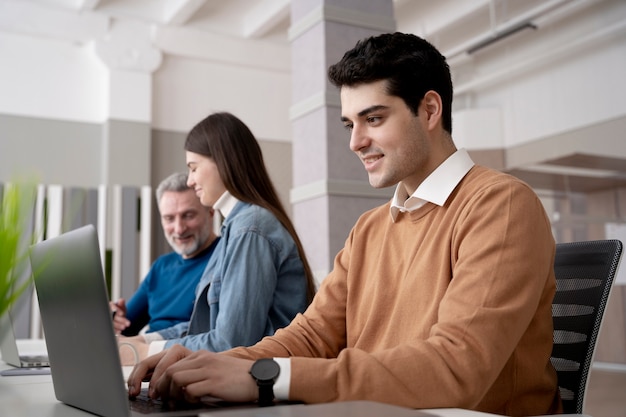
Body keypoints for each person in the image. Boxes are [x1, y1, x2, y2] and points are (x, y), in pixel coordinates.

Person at [127, 32, 562, 415]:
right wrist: (221, 364)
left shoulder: (500, 205)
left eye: (374, 119)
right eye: (350, 124)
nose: (355, 142)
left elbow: (456, 369)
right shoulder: (370, 229)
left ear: (429, 110)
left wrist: (266, 377)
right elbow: (313, 335)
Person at [118, 112, 316, 363]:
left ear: (223, 162)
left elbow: (231, 342)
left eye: (193, 168)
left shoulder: (250, 229)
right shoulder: (237, 227)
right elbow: (208, 328)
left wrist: (145, 352)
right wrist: (141, 341)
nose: (190, 180)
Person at [110, 172, 220, 335]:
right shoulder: (161, 266)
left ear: (211, 212)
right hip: (146, 354)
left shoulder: (226, 256)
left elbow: (216, 331)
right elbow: (126, 326)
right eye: (169, 218)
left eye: (188, 216)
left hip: (186, 354)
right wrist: (113, 317)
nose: (179, 229)